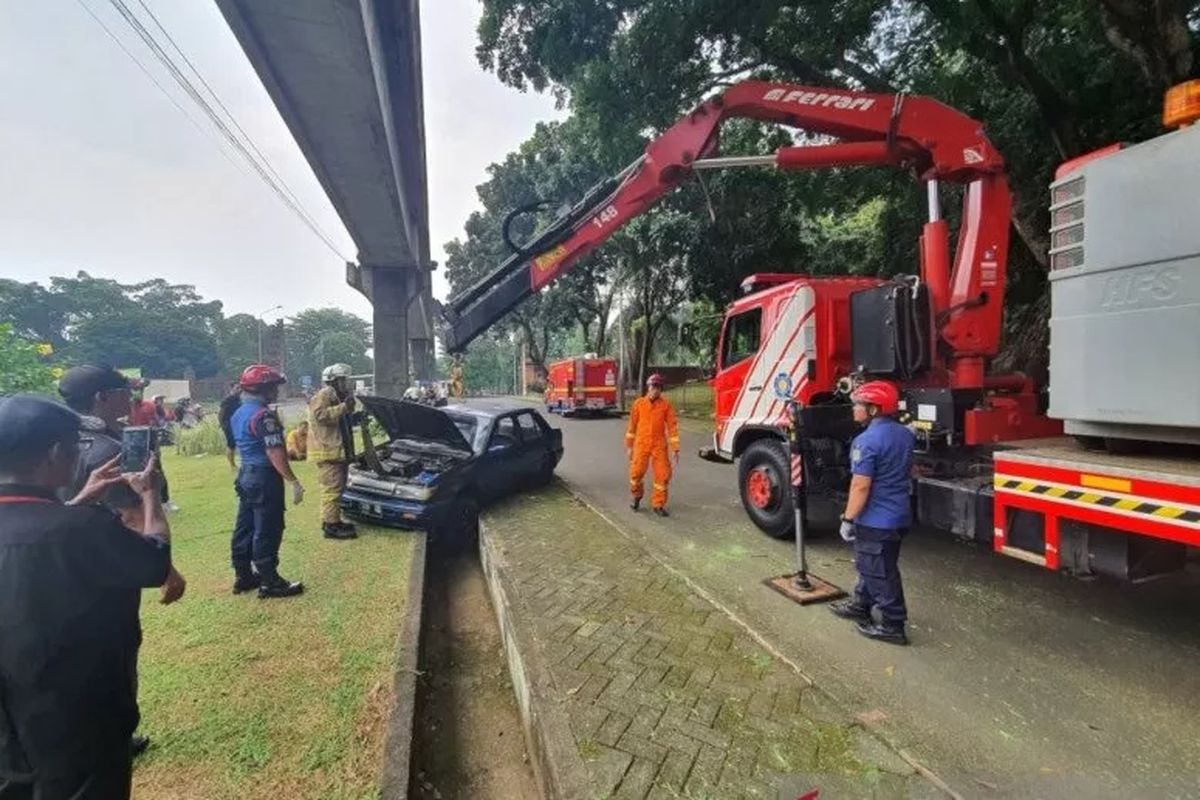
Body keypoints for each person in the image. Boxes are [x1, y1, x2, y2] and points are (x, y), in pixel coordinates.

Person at [0, 395, 174, 800]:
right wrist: (149, 497)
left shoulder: (69, 523)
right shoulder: (80, 529)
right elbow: (155, 562)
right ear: (57, 453)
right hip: (77, 717)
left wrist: (78, 502)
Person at [829, 380, 915, 646]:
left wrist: (848, 518)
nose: (854, 409)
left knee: (880, 571)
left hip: (876, 519)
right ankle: (861, 604)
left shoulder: (865, 441)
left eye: (858, 405)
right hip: (898, 515)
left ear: (874, 409)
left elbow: (861, 485)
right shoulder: (904, 434)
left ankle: (893, 624)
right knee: (873, 565)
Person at [230, 364, 306, 598]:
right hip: (264, 477)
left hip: (246, 475)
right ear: (263, 388)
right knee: (268, 527)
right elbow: (275, 452)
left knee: (246, 526)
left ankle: (243, 575)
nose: (276, 391)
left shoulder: (238, 413)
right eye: (273, 386)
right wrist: (292, 480)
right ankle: (270, 581)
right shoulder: (263, 416)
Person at [307, 363, 358, 541]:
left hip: (335, 451)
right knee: (332, 489)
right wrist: (344, 407)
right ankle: (331, 526)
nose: (345, 383)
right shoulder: (325, 394)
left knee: (337, 487)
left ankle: (334, 520)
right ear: (333, 380)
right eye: (342, 380)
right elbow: (320, 416)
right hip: (327, 452)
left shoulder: (335, 395)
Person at [625, 373, 681, 517]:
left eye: (658, 387)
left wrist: (675, 449)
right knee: (635, 473)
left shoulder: (665, 406)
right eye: (653, 386)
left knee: (663, 475)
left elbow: (672, 427)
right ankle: (637, 496)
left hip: (658, 444)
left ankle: (658, 504)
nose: (655, 390)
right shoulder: (638, 404)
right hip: (641, 444)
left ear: (661, 390)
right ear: (648, 387)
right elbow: (632, 427)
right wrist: (630, 446)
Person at [217, 380, 241, 470]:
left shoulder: (239, 399)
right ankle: (232, 465)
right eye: (237, 388)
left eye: (240, 388)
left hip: (237, 424)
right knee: (231, 445)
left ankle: (238, 464)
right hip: (228, 425)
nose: (239, 390)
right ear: (232, 388)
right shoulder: (227, 400)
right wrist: (222, 424)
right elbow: (221, 413)